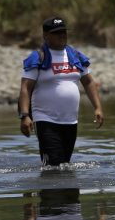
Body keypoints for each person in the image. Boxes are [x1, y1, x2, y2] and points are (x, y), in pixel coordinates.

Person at [18, 16, 104, 166]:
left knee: (64, 164)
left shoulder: (75, 56)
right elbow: (25, 87)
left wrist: (98, 108)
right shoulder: (38, 57)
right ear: (45, 36)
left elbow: (88, 82)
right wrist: (24, 116)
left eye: (64, 32)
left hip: (70, 120)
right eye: (57, 33)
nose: (62, 35)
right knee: (53, 165)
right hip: (45, 119)